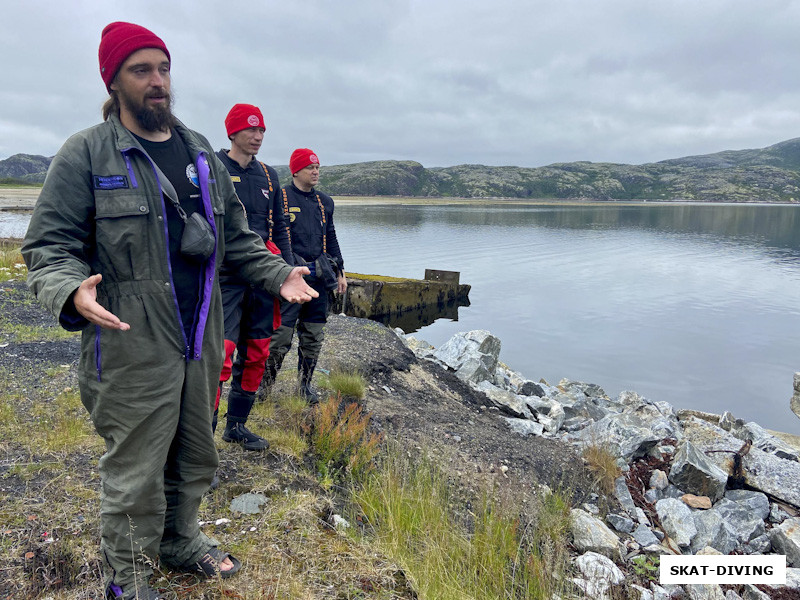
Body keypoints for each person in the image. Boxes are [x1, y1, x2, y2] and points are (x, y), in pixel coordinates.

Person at [21, 22, 317, 600]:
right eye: (141, 70)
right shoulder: (86, 152)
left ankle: (180, 543)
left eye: (163, 68)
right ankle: (129, 580)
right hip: (130, 336)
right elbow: (46, 247)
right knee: (135, 469)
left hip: (200, 333)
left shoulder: (201, 152)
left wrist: (280, 274)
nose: (157, 82)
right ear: (115, 80)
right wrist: (70, 290)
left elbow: (236, 237)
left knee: (196, 449)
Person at [213, 103, 292, 452]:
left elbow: (282, 229)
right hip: (225, 275)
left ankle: (236, 426)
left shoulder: (269, 175)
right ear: (233, 132)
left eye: (261, 131)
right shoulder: (213, 167)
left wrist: (288, 274)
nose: (257, 136)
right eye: (250, 130)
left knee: (258, 351)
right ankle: (201, 440)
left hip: (262, 276)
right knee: (219, 355)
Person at [261, 149, 346, 403]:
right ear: (295, 171)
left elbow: (331, 237)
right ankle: (264, 387)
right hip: (289, 278)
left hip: (319, 278)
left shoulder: (324, 202)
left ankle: (304, 385)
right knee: (280, 337)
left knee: (313, 336)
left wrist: (340, 272)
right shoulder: (281, 197)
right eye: (310, 167)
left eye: (318, 167)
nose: (316, 171)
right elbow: (269, 235)